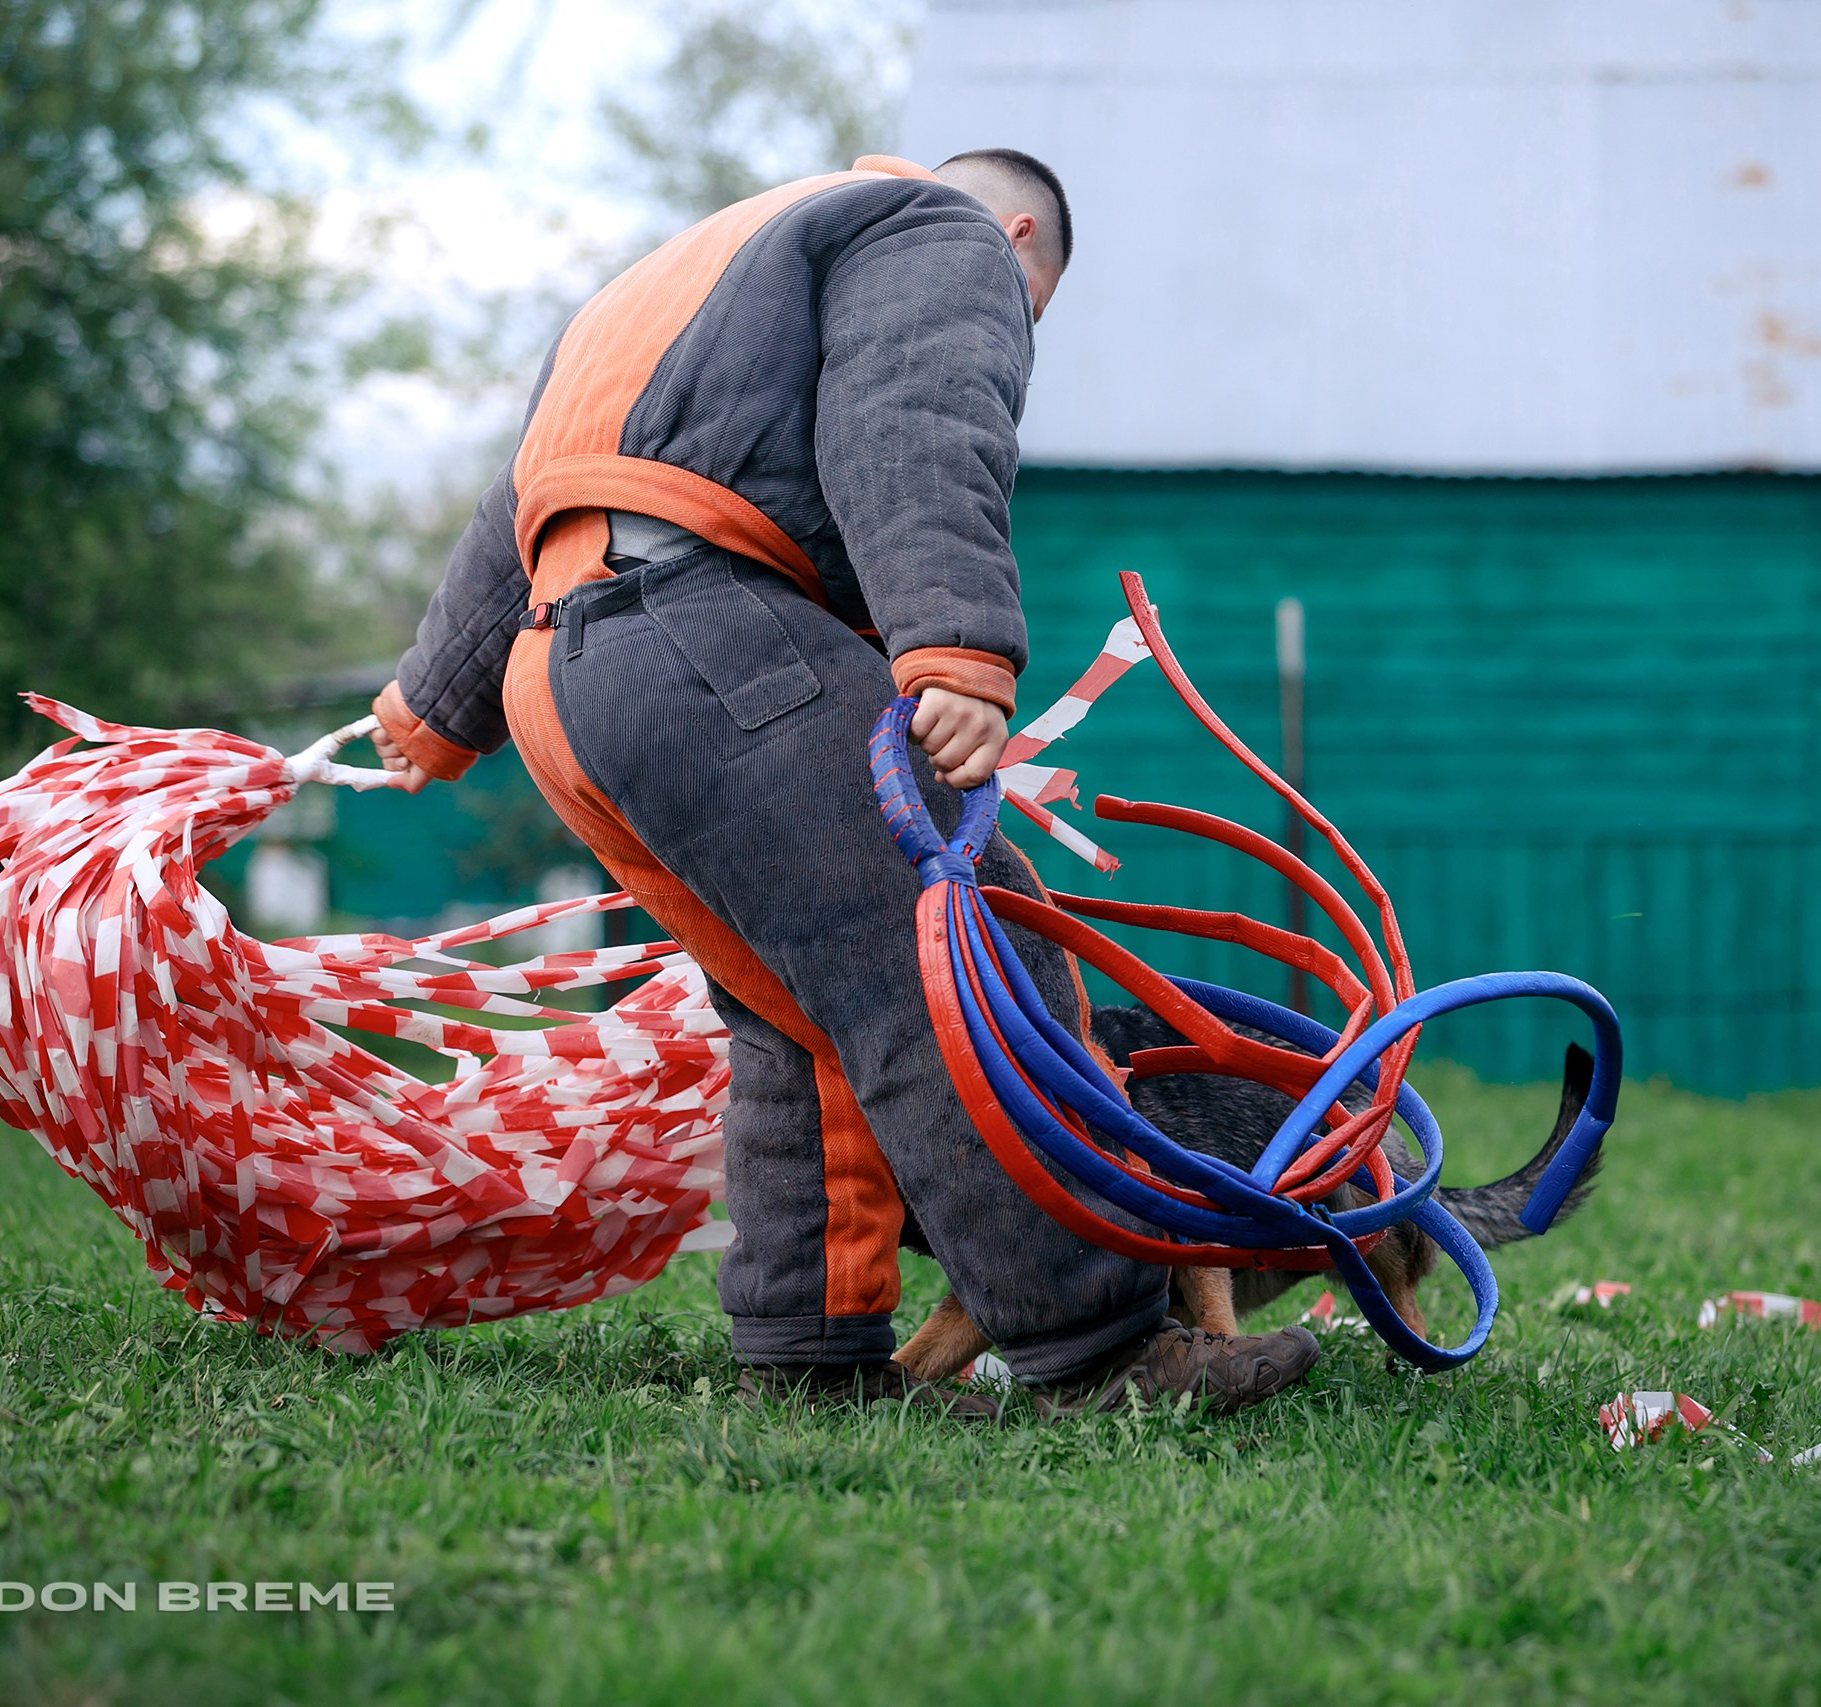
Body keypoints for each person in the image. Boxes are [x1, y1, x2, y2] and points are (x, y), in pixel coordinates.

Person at [369, 149, 1318, 1418]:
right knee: (968, 967)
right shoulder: (939, 228)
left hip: (567, 680)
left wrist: (433, 708)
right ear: (1018, 233)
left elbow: (516, 502)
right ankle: (1106, 1354)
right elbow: (916, 414)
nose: (1011, 328)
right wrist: (956, 647)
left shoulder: (680, 270)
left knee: (797, 1013)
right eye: (1026, 308)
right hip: (709, 636)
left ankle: (808, 1360)